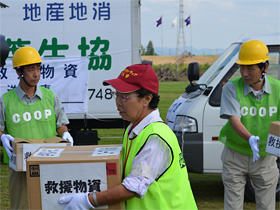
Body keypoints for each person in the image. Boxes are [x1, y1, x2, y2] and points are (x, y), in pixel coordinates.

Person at [59, 63, 197, 209]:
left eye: (124, 96)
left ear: (146, 99)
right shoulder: (134, 129)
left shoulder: (156, 138)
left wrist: (89, 200)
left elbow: (134, 186)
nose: (118, 102)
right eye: (116, 94)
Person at [0, 46, 73, 209]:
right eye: (31, 69)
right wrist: (2, 137)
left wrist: (66, 134)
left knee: (51, 204)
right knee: (21, 205)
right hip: (19, 166)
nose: (36, 74)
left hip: (49, 162)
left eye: (39, 68)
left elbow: (60, 125)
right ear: (19, 72)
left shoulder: (50, 96)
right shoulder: (5, 100)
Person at [218, 39, 279, 209]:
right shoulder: (231, 88)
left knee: (266, 205)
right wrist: (250, 138)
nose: (244, 73)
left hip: (265, 157)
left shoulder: (278, 89)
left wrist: (275, 148)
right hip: (235, 155)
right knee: (232, 206)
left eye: (250, 68)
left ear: (264, 68)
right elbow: (234, 120)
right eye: (242, 67)